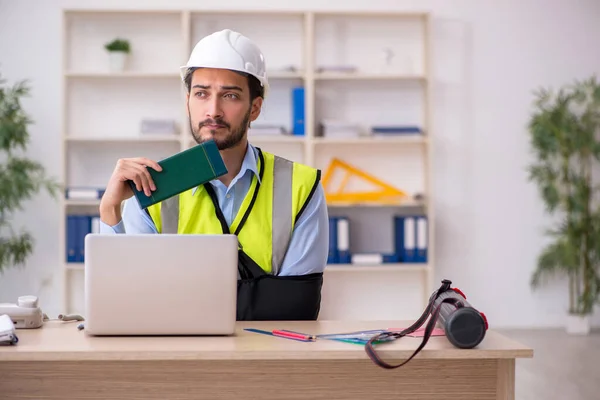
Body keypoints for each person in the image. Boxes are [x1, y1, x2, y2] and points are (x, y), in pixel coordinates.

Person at [98, 29, 329, 321]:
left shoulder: (302, 186)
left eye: (230, 95)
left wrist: (179, 299)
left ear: (254, 108)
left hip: (270, 359)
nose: (213, 110)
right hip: (178, 360)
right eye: (201, 93)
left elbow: (297, 306)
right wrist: (110, 209)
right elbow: (127, 302)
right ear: (188, 103)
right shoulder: (150, 186)